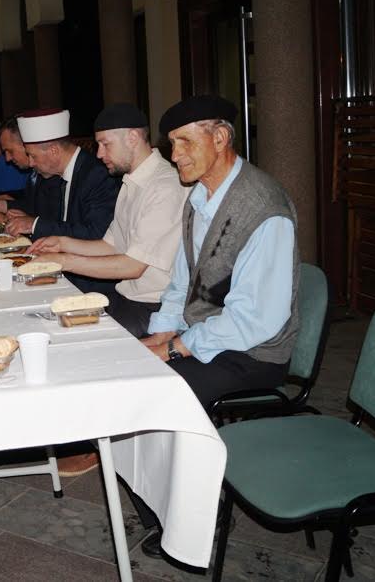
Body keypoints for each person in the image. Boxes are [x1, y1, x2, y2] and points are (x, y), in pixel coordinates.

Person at [136, 95, 300, 559]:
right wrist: (162, 330)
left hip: (255, 354)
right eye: (171, 144)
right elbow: (183, 280)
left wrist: (175, 349)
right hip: (212, 335)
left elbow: (255, 321)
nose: (174, 155)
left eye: (184, 142)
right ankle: (159, 507)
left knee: (160, 395)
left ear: (221, 137)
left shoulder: (263, 207)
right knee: (134, 372)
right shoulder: (200, 196)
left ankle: (190, 524)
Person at [30, 104, 186, 338]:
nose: (99, 154)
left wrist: (63, 261)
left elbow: (133, 267)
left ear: (132, 138)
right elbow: (110, 245)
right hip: (126, 298)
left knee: (67, 336)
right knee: (46, 317)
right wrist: (61, 243)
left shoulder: (165, 187)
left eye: (105, 144)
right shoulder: (131, 181)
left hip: (154, 309)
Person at [4, 109, 118, 241]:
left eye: (33, 156)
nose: (30, 163)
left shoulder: (96, 175)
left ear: (54, 151)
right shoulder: (55, 173)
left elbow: (96, 233)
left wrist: (34, 225)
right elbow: (59, 224)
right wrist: (28, 220)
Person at [0, 118, 61, 224]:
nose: (7, 159)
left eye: (10, 151)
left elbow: (55, 221)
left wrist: (13, 219)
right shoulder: (35, 171)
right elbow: (33, 207)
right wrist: (0, 204)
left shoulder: (52, 171)